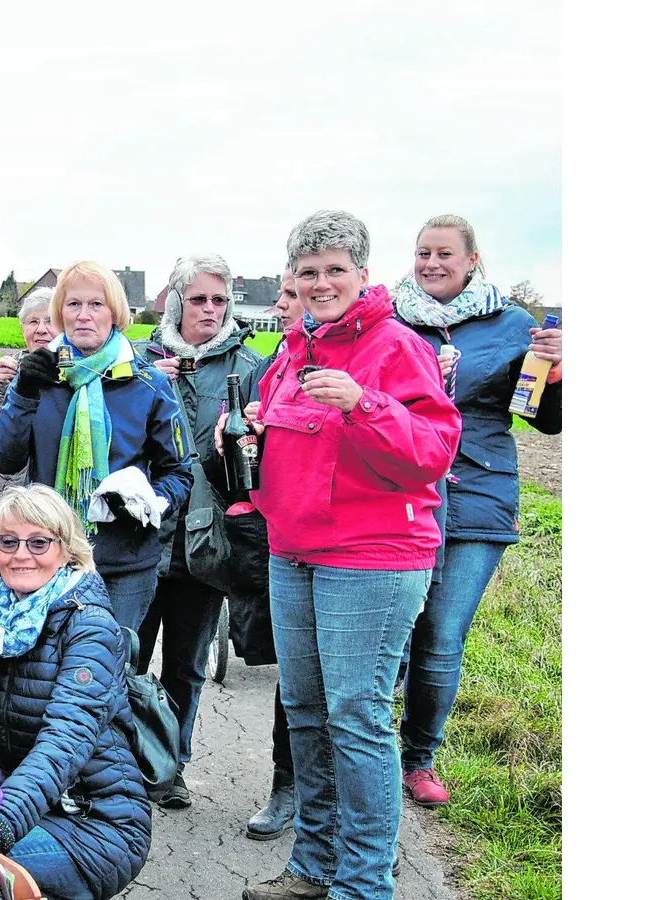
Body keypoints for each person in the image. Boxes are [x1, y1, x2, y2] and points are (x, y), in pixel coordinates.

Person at [238, 210, 461, 900]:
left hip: (372, 557)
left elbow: (434, 453)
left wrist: (365, 404)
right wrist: (248, 435)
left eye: (336, 269)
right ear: (293, 280)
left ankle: (364, 885)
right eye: (308, 272)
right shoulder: (293, 349)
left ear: (363, 275)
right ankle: (312, 866)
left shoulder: (397, 347)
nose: (322, 282)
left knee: (355, 716)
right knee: (305, 711)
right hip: (293, 550)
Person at [390, 214, 563, 808]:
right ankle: (369, 747)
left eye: (444, 254)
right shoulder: (388, 318)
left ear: (472, 260)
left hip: (477, 493)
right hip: (401, 488)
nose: (431, 263)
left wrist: (559, 369)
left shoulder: (513, 324)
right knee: (396, 629)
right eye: (422, 253)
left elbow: (545, 416)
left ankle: (419, 759)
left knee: (441, 635)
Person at [0, 485, 151, 900]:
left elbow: (66, 741)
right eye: (8, 542)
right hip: (25, 805)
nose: (22, 554)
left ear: (67, 549)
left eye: (39, 542)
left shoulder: (89, 626)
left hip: (93, 820)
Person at [121, 253, 265, 810]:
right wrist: (140, 385)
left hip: (208, 543)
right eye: (199, 299)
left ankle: (169, 766)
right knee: (126, 656)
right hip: (141, 537)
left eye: (220, 300)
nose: (210, 309)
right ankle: (122, 765)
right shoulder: (135, 358)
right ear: (177, 301)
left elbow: (260, 455)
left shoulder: (249, 366)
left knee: (187, 663)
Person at [0, 260, 193, 632]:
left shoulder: (149, 384)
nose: (84, 316)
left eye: (96, 305)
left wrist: (147, 502)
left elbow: (178, 472)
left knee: (112, 671)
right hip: (43, 560)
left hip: (124, 565)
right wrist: (23, 393)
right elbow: (1, 456)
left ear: (115, 313)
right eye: (73, 305)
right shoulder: (39, 376)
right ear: (60, 314)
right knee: (41, 675)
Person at [238, 271, 302, 842]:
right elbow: (246, 471)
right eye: (282, 293)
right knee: (296, 678)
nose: (281, 305)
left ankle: (364, 833)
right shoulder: (272, 364)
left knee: (357, 703)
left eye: (291, 295)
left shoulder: (380, 348)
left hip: (363, 550)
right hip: (282, 535)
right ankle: (287, 787)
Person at [0, 287, 62, 561]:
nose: (41, 330)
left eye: (49, 321)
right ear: (23, 329)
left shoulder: (78, 374)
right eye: (33, 322)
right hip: (11, 501)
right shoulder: (10, 373)